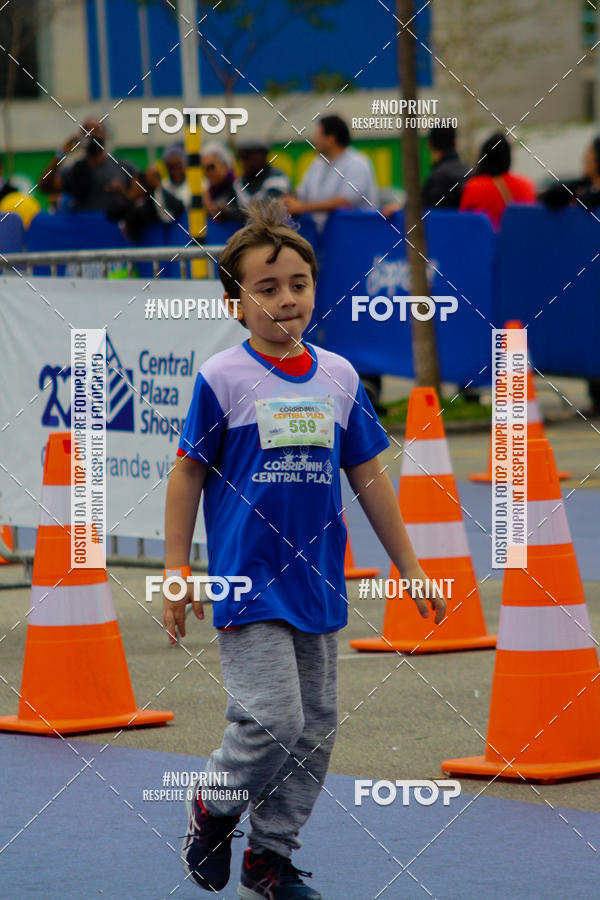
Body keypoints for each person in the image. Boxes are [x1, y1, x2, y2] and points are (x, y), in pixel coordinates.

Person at [163, 199, 446, 899]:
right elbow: (187, 472)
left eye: (298, 284)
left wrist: (408, 565)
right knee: (271, 720)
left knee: (314, 732)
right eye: (266, 288)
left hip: (318, 585)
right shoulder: (223, 379)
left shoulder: (341, 378)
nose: (286, 300)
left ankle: (270, 857)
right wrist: (175, 571)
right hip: (247, 582)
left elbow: (371, 475)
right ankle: (213, 805)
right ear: (236, 304)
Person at [539, 136, 600, 415]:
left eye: (588, 156)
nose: (584, 160)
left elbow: (590, 203)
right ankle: (596, 397)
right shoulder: (584, 185)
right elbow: (550, 198)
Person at [284, 115, 377, 230]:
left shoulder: (358, 163)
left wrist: (302, 207)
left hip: (356, 235)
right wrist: (289, 201)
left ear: (331, 138)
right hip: (324, 238)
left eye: (318, 135)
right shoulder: (317, 164)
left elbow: (346, 202)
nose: (314, 140)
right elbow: (301, 194)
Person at [38, 117, 135, 213]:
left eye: (95, 130)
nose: (90, 133)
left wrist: (123, 194)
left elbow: (141, 197)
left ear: (105, 136)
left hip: (112, 226)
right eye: (85, 130)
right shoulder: (73, 170)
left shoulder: (124, 167)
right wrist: (61, 153)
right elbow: (44, 186)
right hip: (83, 226)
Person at [382, 124, 469, 217]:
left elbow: (423, 210)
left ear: (429, 144)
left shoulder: (439, 179)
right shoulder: (468, 172)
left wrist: (401, 208)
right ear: (456, 143)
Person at [459, 132, 536, 230]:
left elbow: (463, 223)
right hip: (517, 243)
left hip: (485, 243)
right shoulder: (526, 185)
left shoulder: (474, 187)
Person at [233, 140, 291, 212]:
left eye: (247, 157)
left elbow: (269, 208)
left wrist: (234, 213)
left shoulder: (278, 178)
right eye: (241, 158)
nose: (244, 162)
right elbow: (232, 205)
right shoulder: (239, 182)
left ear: (263, 156)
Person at [200, 142, 242, 222]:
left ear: (225, 165)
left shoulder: (239, 188)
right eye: (204, 169)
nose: (207, 173)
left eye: (211, 167)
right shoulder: (207, 192)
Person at [162, 143, 191, 211]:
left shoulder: (198, 185)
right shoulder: (163, 186)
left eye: (178, 166)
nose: (175, 171)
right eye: (171, 167)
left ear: (185, 164)